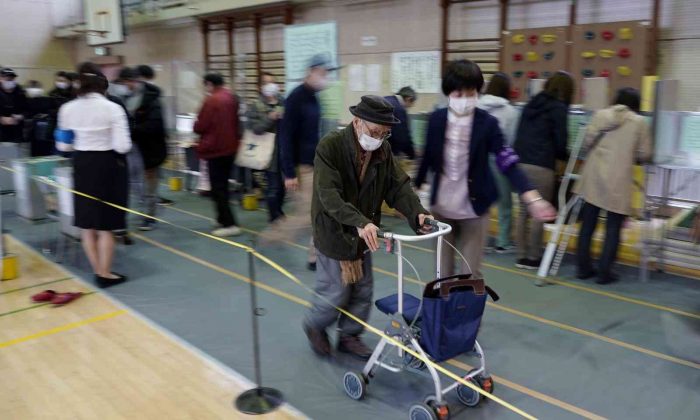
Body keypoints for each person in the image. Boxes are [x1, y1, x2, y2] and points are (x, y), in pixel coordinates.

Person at [303, 95, 433, 359]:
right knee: (336, 292)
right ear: (357, 122)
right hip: (335, 231)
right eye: (375, 131)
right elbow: (329, 196)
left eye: (385, 134)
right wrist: (360, 222)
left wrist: (417, 213)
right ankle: (314, 325)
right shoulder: (330, 147)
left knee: (363, 290)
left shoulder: (382, 151)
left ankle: (349, 335)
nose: (379, 138)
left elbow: (397, 187)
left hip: (364, 234)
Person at [415, 60, 556, 280]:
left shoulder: (487, 123)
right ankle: (442, 313)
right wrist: (417, 196)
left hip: (474, 209)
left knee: (470, 275)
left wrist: (533, 198)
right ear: (448, 93)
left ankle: (467, 313)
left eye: (470, 93)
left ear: (478, 93)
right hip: (440, 209)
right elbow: (427, 160)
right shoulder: (436, 120)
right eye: (458, 94)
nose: (464, 100)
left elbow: (507, 160)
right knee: (442, 273)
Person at [55, 62, 132, 288]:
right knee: (107, 224)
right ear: (102, 84)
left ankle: (98, 270)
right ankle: (105, 274)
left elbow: (63, 146)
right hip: (108, 165)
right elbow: (123, 146)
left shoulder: (66, 109)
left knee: (88, 224)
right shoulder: (113, 108)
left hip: (82, 164)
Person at [575, 88, 652, 284]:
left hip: (594, 176)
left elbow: (585, 143)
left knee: (588, 224)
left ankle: (583, 268)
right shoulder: (639, 122)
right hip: (619, 179)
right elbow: (645, 154)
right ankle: (604, 272)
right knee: (613, 227)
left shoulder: (601, 115)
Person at [277, 54, 336, 271]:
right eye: (322, 73)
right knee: (308, 215)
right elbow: (285, 136)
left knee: (316, 213)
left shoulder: (315, 97)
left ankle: (315, 257)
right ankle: (271, 237)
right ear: (311, 72)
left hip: (315, 163)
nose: (325, 78)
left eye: (327, 74)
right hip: (301, 167)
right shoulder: (295, 98)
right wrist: (289, 172)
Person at [513, 71, 574, 271]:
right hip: (542, 165)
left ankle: (520, 255)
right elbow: (560, 142)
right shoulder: (559, 108)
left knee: (524, 211)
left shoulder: (530, 105)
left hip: (521, 164)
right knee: (540, 212)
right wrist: (565, 156)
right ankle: (533, 257)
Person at [113, 67, 167, 232]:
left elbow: (155, 125)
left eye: (126, 82)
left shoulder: (151, 99)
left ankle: (149, 216)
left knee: (149, 185)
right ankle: (142, 211)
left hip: (151, 148)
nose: (125, 86)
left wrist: (131, 129)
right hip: (131, 147)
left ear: (134, 81)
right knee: (135, 184)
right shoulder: (123, 98)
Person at [193, 73, 242, 237]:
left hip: (216, 149)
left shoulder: (211, 100)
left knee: (218, 188)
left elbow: (200, 126)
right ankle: (222, 218)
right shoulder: (231, 97)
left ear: (209, 84)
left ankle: (230, 224)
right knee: (223, 186)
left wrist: (196, 124)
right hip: (231, 148)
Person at [477, 72, 520, 253]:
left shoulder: (477, 106)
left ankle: (480, 241)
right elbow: (512, 139)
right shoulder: (511, 112)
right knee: (505, 204)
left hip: (477, 159)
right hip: (500, 159)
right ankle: (503, 242)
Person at [247, 72, 285, 222]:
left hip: (285, 151)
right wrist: (270, 118)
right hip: (268, 153)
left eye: (273, 82)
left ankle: (279, 212)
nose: (271, 86)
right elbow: (254, 129)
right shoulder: (255, 106)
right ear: (259, 87)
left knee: (283, 188)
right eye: (267, 83)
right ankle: (275, 217)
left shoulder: (283, 102)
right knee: (273, 187)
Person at [136, 64, 175, 207]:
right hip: (146, 140)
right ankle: (149, 198)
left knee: (151, 172)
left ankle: (151, 197)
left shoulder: (150, 95)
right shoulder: (145, 95)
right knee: (148, 173)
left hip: (151, 140)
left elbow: (156, 120)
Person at [383, 86, 416, 160]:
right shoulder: (399, 109)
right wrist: (412, 155)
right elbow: (402, 137)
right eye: (409, 106)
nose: (407, 109)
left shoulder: (386, 99)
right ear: (409, 99)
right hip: (384, 152)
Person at [24, 81, 54, 156]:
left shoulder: (47, 100)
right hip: (31, 135)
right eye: (32, 87)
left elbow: (51, 112)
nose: (35, 90)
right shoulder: (24, 101)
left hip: (45, 133)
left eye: (37, 87)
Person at [0, 68, 27, 143]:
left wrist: (21, 116)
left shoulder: (20, 92)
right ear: (1, 79)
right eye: (8, 79)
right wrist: (1, 119)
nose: (10, 81)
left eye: (12, 79)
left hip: (17, 133)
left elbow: (27, 110)